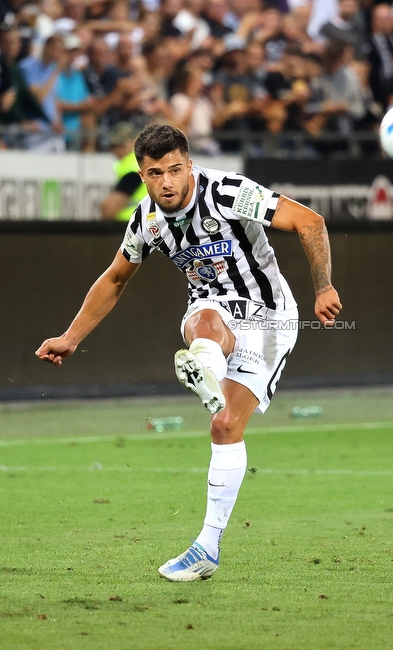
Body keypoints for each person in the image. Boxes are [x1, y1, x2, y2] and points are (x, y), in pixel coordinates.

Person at [36, 124, 342, 582]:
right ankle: (205, 367)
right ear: (142, 175)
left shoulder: (229, 193)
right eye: (155, 173)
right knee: (203, 325)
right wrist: (71, 337)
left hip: (268, 318)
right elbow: (115, 278)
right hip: (211, 313)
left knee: (224, 422)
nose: (167, 183)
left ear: (189, 165)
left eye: (175, 170)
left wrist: (323, 287)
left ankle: (206, 371)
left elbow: (309, 221)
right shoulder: (146, 221)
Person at [99, 122, 147, 220]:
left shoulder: (133, 170)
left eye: (120, 145)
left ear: (133, 143)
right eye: (113, 146)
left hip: (131, 225)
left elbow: (109, 210)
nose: (115, 150)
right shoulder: (141, 164)